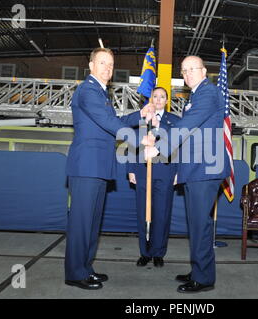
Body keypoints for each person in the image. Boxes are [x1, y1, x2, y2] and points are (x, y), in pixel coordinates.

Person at [65, 47, 152, 290]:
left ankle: (85, 267)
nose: (107, 68)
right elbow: (108, 122)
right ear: (91, 65)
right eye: (102, 63)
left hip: (99, 166)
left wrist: (140, 115)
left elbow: (115, 122)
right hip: (86, 167)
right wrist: (139, 140)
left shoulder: (102, 94)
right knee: (82, 223)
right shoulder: (88, 90)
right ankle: (74, 273)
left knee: (92, 224)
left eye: (111, 65)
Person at [142, 56, 231, 293]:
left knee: (200, 225)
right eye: (184, 70)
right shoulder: (196, 95)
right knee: (196, 224)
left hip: (205, 168)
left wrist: (158, 147)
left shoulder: (208, 93)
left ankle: (203, 280)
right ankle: (199, 270)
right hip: (195, 169)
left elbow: (187, 125)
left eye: (193, 69)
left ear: (204, 71)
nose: (188, 74)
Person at [127, 87, 180, 268]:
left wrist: (178, 172)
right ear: (150, 99)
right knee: (143, 213)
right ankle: (145, 252)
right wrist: (131, 169)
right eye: (155, 96)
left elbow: (180, 148)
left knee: (162, 214)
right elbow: (131, 145)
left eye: (162, 97)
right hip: (142, 172)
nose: (158, 99)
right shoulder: (142, 118)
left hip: (165, 172)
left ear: (167, 100)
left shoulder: (174, 121)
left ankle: (158, 253)